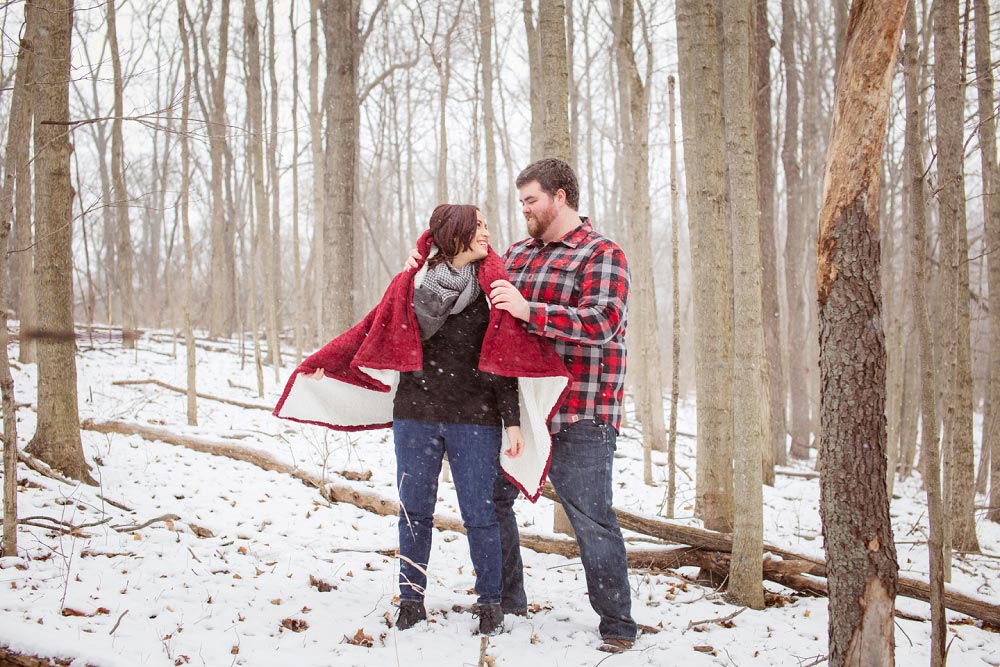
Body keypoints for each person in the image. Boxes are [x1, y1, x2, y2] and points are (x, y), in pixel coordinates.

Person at [274, 204, 570, 638]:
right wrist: (327, 363)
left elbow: (503, 361)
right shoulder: (410, 285)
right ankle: (411, 601)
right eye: (480, 226)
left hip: (476, 420)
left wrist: (512, 423)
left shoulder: (493, 291)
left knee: (480, 514)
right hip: (416, 416)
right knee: (414, 512)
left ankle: (491, 605)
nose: (488, 232)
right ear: (457, 235)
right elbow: (369, 330)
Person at [413, 160, 637, 652]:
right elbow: (466, 276)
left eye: (531, 200)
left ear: (560, 197)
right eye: (520, 202)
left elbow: (604, 323)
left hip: (580, 411)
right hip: (516, 415)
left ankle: (618, 625)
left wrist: (530, 311)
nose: (524, 210)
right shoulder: (516, 254)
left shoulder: (601, 254)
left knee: (592, 519)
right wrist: (427, 258)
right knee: (492, 503)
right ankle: (508, 601)